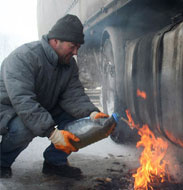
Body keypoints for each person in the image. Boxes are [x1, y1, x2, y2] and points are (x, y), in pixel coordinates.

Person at [0, 14, 108, 179]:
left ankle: (54, 163)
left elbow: (74, 95)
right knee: (24, 127)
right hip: (9, 110)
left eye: (78, 47)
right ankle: (2, 162)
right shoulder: (23, 57)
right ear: (55, 41)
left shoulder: (69, 64)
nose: (76, 52)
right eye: (73, 46)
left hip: (41, 106)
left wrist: (91, 113)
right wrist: (52, 133)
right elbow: (24, 102)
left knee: (80, 120)